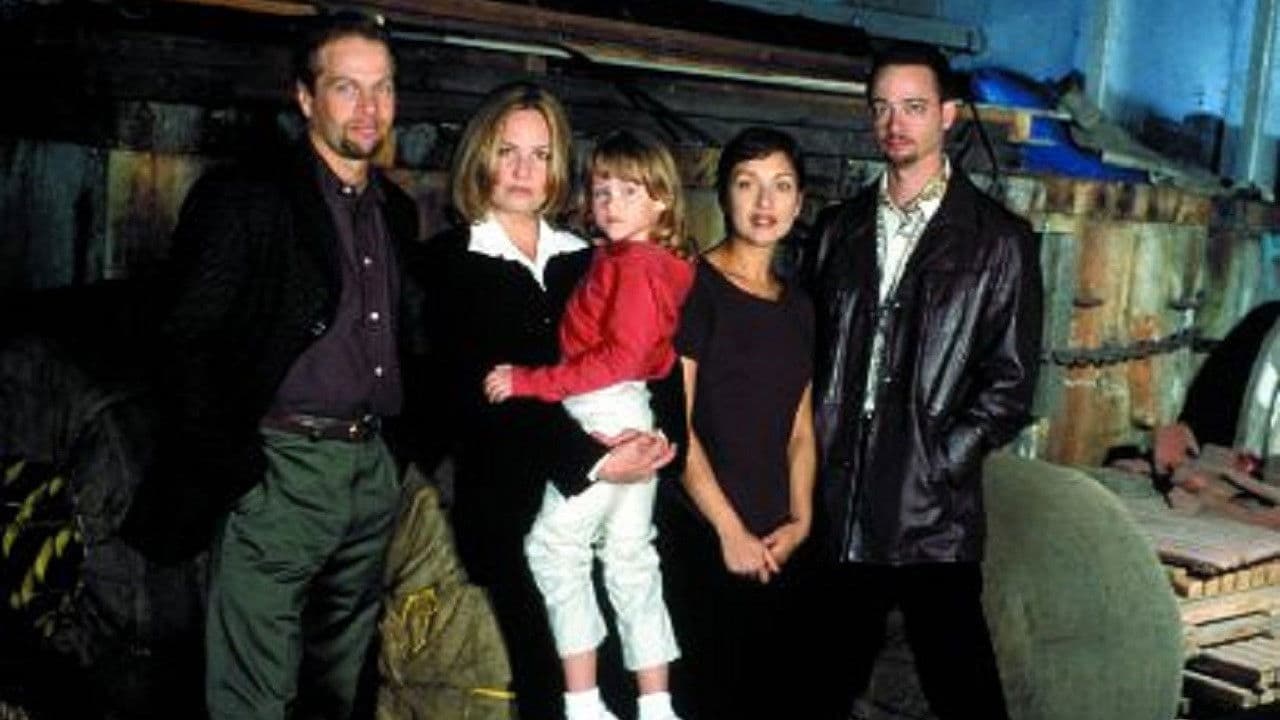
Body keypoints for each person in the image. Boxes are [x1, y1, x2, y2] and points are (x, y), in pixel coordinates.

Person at [120, 12, 422, 720]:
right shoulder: (248, 196)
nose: (369, 108)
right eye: (346, 88)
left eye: (382, 88)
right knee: (254, 697)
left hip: (369, 470)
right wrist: (238, 468)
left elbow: (410, 343)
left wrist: (400, 456)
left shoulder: (396, 212)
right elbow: (182, 339)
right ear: (305, 98)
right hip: (280, 468)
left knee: (339, 687)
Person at [416, 84, 678, 720]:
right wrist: (593, 461)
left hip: (624, 482)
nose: (523, 170)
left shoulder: (592, 256)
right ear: (480, 155)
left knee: (628, 669)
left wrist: (657, 443)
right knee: (551, 689)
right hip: (517, 501)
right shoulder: (447, 264)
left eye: (541, 154)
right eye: (507, 151)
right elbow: (476, 393)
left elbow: (654, 353)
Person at [806, 43, 1042, 720]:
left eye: (913, 107)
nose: (895, 123)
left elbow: (1011, 384)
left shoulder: (999, 240)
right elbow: (811, 354)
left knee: (964, 687)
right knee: (818, 683)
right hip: (841, 497)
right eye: (881, 107)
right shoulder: (838, 230)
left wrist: (941, 460)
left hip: (931, 508)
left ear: (947, 115)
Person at [481, 129, 690, 720]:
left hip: (602, 409)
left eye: (629, 191)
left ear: (661, 200)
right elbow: (654, 359)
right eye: (602, 191)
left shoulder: (637, 268)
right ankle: (655, 705)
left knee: (553, 548)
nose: (611, 203)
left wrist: (529, 381)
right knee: (629, 559)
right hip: (632, 408)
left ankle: (583, 703)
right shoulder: (635, 261)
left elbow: (617, 359)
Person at [659, 126, 816, 720]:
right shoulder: (693, 288)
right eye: (747, 184)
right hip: (702, 535)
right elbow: (677, 425)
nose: (765, 202)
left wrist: (801, 520)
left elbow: (800, 430)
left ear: (798, 203)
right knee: (701, 699)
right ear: (725, 195)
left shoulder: (800, 307)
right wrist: (728, 531)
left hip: (778, 542)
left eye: (781, 186)